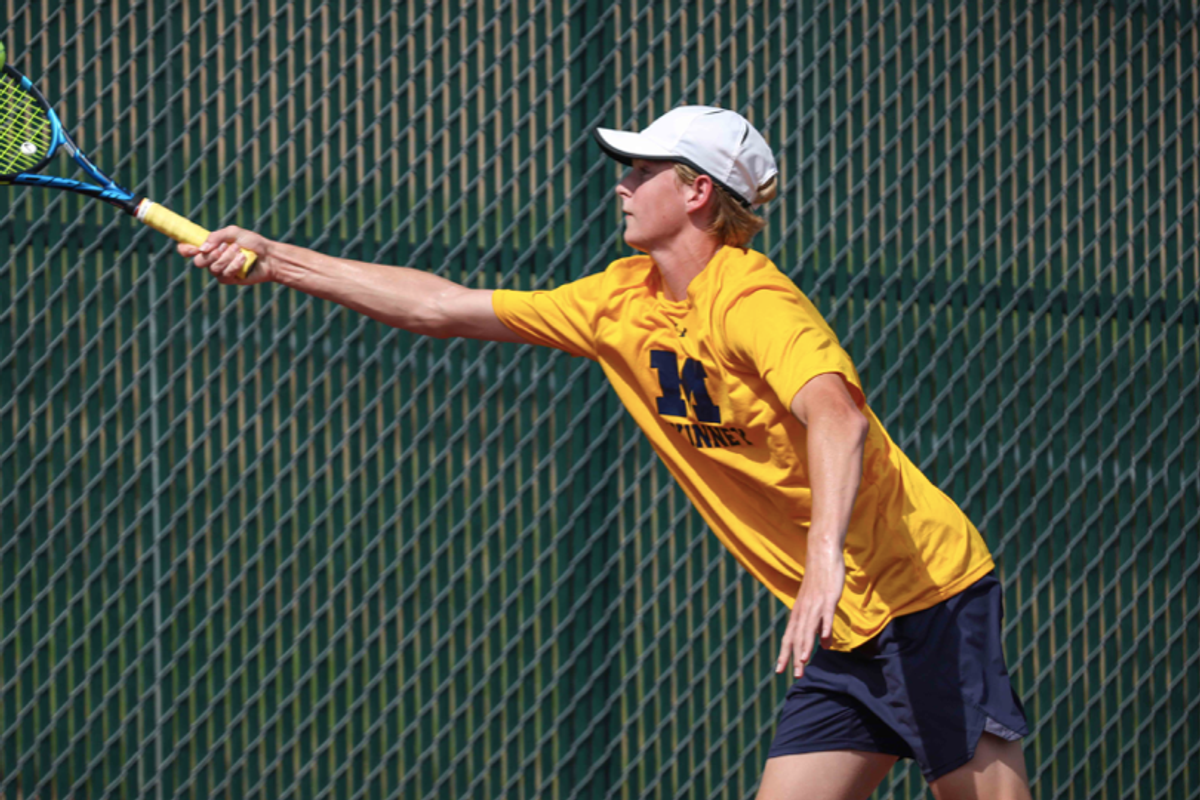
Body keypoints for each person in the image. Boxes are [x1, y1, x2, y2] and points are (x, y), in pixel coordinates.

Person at [180, 105, 1033, 799]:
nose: (621, 186)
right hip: (842, 636)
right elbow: (439, 306)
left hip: (927, 599)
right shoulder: (619, 301)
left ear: (697, 193)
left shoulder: (753, 301)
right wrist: (277, 259)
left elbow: (838, 416)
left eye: (640, 172)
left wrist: (821, 564)